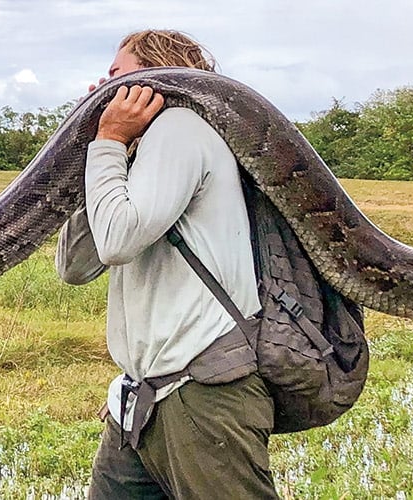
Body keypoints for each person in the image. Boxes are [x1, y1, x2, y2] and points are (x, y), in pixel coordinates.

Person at [55, 30, 278, 499]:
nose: (101, 85)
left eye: (116, 74)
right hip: (140, 398)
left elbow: (117, 241)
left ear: (154, 73)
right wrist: (104, 151)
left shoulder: (181, 129)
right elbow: (75, 266)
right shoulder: (138, 151)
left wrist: (110, 138)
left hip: (203, 393)